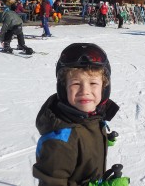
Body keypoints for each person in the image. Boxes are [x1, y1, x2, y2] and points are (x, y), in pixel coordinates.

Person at [32, 43, 130, 186]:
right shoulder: (60, 143)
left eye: (93, 83)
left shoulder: (89, 117)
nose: (85, 90)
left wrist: (97, 139)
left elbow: (80, 136)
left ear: (104, 88)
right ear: (63, 88)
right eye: (76, 83)